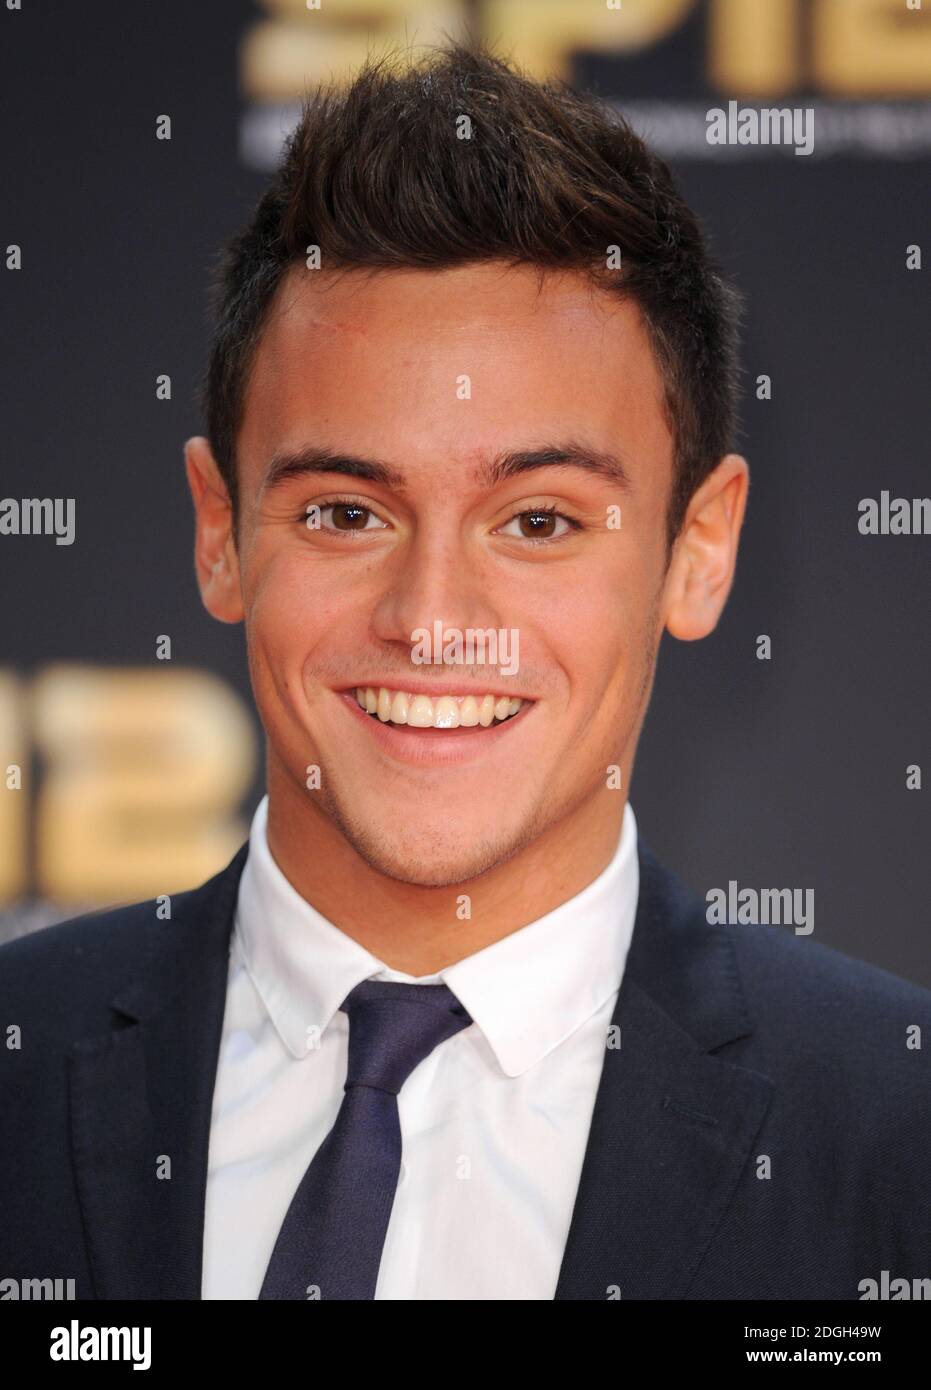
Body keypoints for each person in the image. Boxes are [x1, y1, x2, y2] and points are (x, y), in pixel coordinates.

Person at [1, 41, 927, 1302]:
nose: (433, 621)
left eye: (538, 521)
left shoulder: (896, 1139)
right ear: (218, 533)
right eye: (344, 512)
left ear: (696, 552)